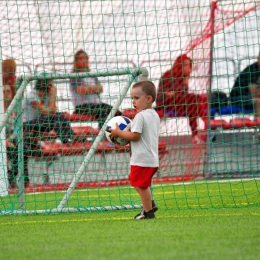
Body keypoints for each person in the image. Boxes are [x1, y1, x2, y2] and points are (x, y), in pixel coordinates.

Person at [110, 80, 160, 220]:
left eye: (136, 98)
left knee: (141, 185)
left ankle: (148, 212)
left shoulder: (140, 116)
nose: (133, 101)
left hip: (142, 159)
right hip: (151, 158)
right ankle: (149, 203)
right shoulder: (154, 115)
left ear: (148, 99)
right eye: (132, 98)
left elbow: (135, 136)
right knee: (134, 179)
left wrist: (118, 133)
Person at [156, 54, 208, 143]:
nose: (188, 68)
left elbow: (180, 94)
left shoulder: (182, 76)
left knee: (200, 100)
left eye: (189, 65)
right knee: (193, 100)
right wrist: (185, 83)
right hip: (166, 104)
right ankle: (203, 127)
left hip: (179, 102)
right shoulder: (169, 75)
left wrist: (183, 84)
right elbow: (175, 94)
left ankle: (204, 127)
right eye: (185, 65)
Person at [69, 50, 122, 128]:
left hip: (96, 105)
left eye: (85, 58)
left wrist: (89, 89)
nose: (84, 60)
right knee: (102, 112)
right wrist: (94, 89)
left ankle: (118, 131)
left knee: (115, 111)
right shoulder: (74, 76)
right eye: (81, 58)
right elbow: (81, 90)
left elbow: (100, 88)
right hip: (82, 106)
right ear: (76, 61)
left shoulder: (92, 75)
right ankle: (102, 134)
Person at [22, 74, 77, 145]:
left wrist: (52, 97)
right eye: (51, 83)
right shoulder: (32, 95)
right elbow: (44, 111)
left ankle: (70, 137)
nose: (53, 85)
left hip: (39, 124)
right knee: (56, 116)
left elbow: (53, 112)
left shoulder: (47, 95)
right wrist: (53, 96)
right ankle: (67, 140)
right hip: (27, 125)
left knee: (59, 115)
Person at [2, 59, 30, 188]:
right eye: (3, 91)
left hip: (11, 139)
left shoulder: (15, 110)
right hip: (3, 140)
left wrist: (11, 139)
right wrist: (5, 140)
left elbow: (18, 128)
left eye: (8, 91)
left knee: (22, 148)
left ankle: (17, 179)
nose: (5, 94)